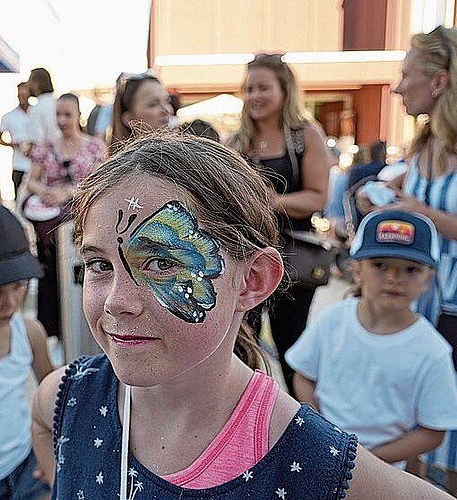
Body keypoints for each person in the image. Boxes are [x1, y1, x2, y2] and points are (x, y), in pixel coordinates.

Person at [31, 133, 454, 500]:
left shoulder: (305, 456)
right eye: (99, 265)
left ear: (252, 280)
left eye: (162, 264)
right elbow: (40, 420)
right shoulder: (71, 396)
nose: (115, 302)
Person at [356, 26, 457, 489]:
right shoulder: (421, 147)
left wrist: (419, 213)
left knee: (448, 434)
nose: (397, 86)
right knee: (413, 420)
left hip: (453, 311)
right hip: (421, 306)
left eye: (405, 74)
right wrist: (381, 201)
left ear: (438, 82)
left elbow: (427, 215)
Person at [286, 210, 457, 471]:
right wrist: (322, 431)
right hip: (320, 454)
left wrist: (368, 459)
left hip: (382, 471)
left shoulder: (432, 351)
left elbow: (433, 430)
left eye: (411, 269)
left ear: (428, 279)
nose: (394, 278)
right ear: (356, 270)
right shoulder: (333, 320)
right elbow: (304, 375)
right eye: (380, 265)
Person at [229, 53, 334, 394]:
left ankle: (297, 429)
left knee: (293, 350)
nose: (254, 96)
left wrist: (266, 200)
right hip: (245, 257)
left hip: (293, 262)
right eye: (248, 88)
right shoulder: (236, 142)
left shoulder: (305, 136)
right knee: (241, 347)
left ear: (284, 91)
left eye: (263, 87)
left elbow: (317, 198)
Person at [0, 202, 53, 499]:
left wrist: (46, 446)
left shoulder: (29, 332)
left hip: (28, 468)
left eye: (18, 286)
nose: (10, 303)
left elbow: (53, 396)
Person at [26, 93, 106, 341]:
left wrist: (68, 192)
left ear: (78, 115)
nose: (62, 120)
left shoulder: (94, 146)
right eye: (58, 114)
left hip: (82, 226)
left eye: (67, 114)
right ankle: (54, 334)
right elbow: (31, 181)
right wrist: (47, 192)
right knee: (50, 279)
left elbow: (101, 182)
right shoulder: (46, 148)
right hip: (49, 227)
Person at [110, 71, 171, 153]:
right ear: (129, 119)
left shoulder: (180, 154)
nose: (167, 110)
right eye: (153, 104)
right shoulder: (131, 164)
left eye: (167, 101)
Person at [0, 82, 33, 198]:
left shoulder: (36, 113)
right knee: (18, 198)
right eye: (20, 94)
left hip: (35, 166)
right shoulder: (9, 116)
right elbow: (0, 139)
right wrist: (15, 144)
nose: (22, 97)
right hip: (18, 164)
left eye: (25, 94)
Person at [27, 68, 61, 146]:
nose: (28, 85)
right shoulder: (60, 103)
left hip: (48, 155)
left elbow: (37, 141)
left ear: (36, 85)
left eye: (30, 82)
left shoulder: (36, 109)